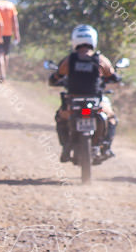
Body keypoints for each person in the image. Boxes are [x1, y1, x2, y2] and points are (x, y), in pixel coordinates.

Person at [48, 24, 122, 161]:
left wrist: (55, 78)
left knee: (60, 118)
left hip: (73, 102)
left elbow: (56, 77)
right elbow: (113, 76)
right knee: (111, 118)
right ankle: (106, 147)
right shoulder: (100, 59)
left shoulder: (69, 59)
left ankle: (65, 147)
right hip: (95, 102)